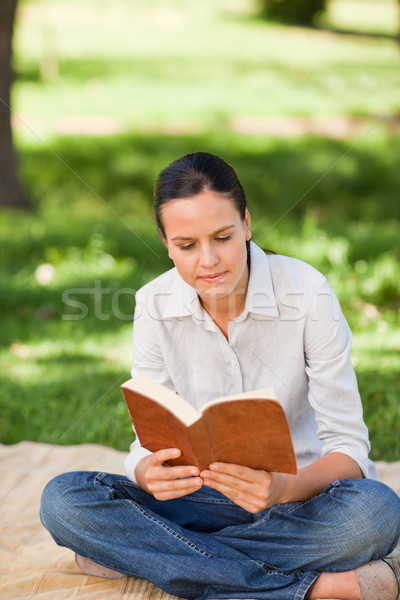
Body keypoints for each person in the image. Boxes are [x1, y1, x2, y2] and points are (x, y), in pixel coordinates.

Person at [40, 152, 400, 600]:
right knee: (64, 500)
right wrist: (148, 472)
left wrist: (285, 487)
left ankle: (143, 556)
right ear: (166, 243)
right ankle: (314, 589)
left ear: (247, 225)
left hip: (301, 502)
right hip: (200, 501)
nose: (208, 261)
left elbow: (349, 450)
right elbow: (145, 444)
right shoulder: (154, 304)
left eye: (223, 237)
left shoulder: (308, 294)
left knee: (376, 514)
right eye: (187, 245)